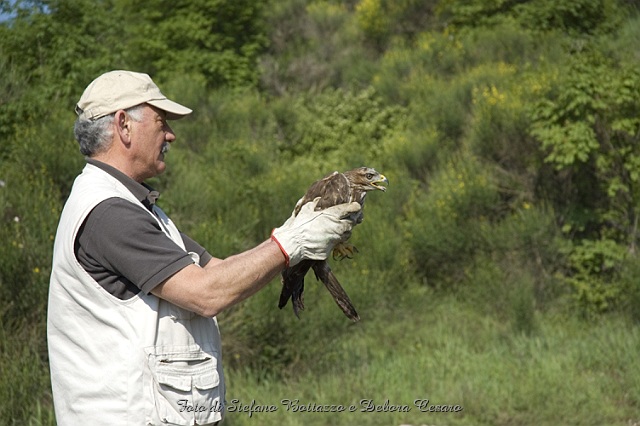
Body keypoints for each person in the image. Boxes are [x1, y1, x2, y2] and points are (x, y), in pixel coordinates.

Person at [47, 70, 361, 426]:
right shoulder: (109, 212)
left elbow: (217, 270)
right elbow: (207, 293)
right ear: (124, 125)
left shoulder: (133, 207)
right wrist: (295, 239)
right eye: (161, 122)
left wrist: (298, 233)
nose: (171, 135)